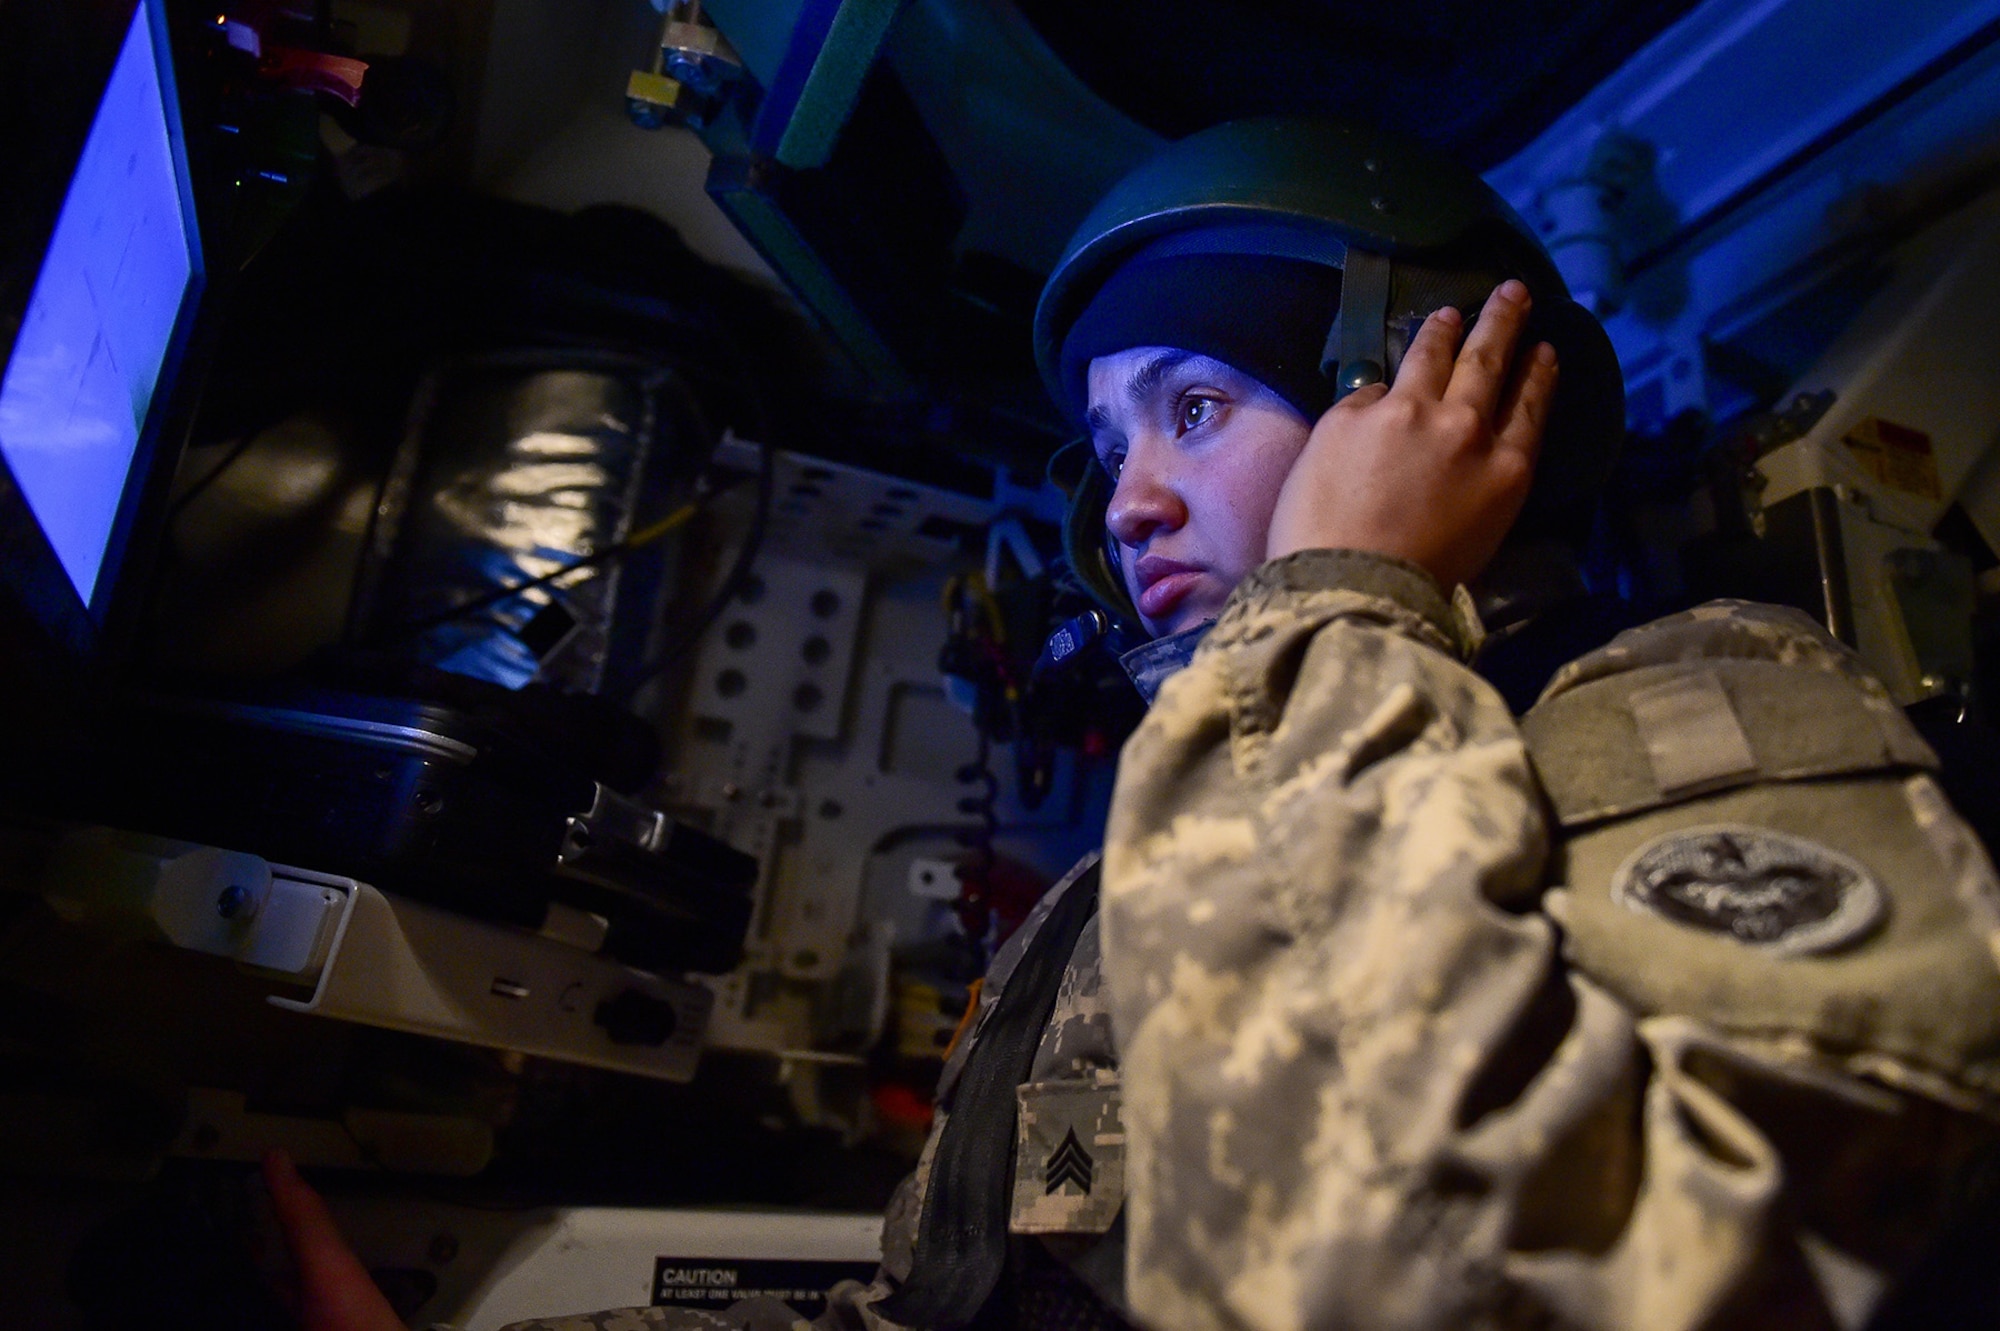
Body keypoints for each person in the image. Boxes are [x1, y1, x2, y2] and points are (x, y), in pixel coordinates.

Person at [272, 118, 2000, 1331]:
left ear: (1419, 392)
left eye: (1194, 404)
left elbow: (1545, 1281)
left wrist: (1336, 591)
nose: (1133, 507)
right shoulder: (1166, 860)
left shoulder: (1693, 714)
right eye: (1112, 450)